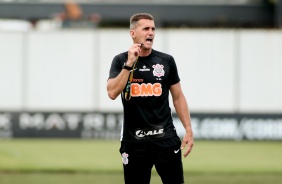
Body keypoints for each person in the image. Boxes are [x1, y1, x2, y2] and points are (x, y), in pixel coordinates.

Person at [107, 13, 194, 184]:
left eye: (153, 29)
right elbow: (112, 93)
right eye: (146, 28)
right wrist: (129, 64)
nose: (151, 33)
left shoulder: (166, 61)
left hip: (165, 138)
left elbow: (178, 97)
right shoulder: (120, 60)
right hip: (134, 141)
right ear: (133, 33)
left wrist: (188, 129)